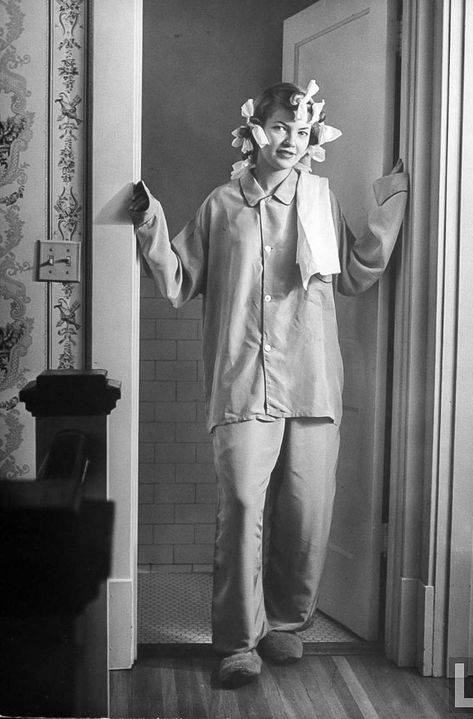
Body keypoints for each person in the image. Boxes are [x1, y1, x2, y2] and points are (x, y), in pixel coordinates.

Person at [129, 80, 408, 687]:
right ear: (255, 130)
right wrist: (150, 222)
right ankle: (237, 641)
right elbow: (180, 282)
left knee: (307, 511)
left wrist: (390, 205)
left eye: (301, 130)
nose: (291, 139)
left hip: (311, 378)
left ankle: (284, 623)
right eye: (280, 126)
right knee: (243, 505)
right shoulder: (221, 206)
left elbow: (354, 276)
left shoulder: (320, 200)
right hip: (241, 378)